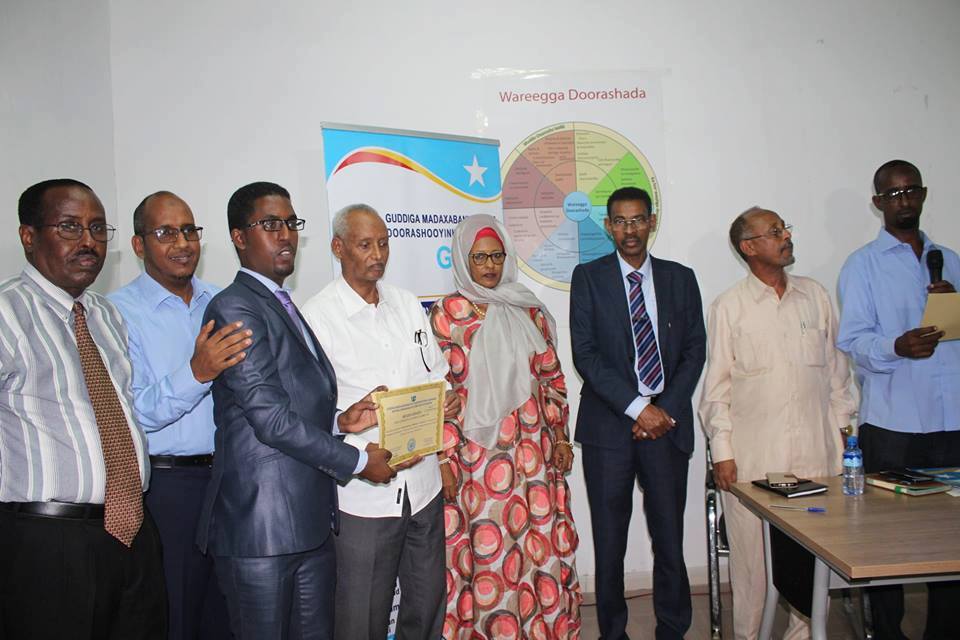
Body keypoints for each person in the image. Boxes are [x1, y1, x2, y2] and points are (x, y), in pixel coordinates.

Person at [195, 182, 398, 640]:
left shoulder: (282, 303)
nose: (285, 234)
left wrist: (340, 423)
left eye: (290, 223)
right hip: (261, 531)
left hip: (308, 524)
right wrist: (359, 460)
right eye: (270, 224)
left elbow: (294, 404)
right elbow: (269, 419)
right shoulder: (235, 307)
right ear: (239, 237)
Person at [0, 178, 166, 639]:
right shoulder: (6, 314)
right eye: (70, 227)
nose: (89, 242)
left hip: (132, 531)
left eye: (97, 228)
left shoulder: (106, 315)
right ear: (28, 236)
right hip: (45, 540)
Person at [303, 203, 459, 640]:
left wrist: (444, 399)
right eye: (365, 245)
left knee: (426, 606)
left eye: (384, 244)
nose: (378, 255)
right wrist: (352, 442)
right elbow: (311, 415)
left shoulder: (406, 304)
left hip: (422, 486)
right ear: (338, 248)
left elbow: (436, 374)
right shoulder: (317, 317)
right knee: (362, 617)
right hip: (364, 494)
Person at [699, 207, 856, 640]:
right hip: (755, 463)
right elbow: (716, 390)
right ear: (749, 247)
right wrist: (723, 452)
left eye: (785, 228)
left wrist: (846, 436)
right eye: (774, 231)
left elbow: (838, 376)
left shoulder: (815, 296)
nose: (786, 236)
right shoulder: (729, 307)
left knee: (814, 567)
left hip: (818, 458)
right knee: (753, 568)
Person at [429, 214, 582, 639]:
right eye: (479, 257)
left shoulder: (526, 307)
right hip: (478, 460)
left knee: (538, 545)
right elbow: (441, 391)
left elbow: (551, 378)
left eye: (497, 255)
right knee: (489, 549)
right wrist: (443, 457)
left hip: (533, 454)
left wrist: (561, 436)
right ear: (463, 259)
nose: (490, 265)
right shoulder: (448, 314)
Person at [109, 191, 248, 639]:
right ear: (138, 244)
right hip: (169, 489)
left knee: (230, 618)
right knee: (176, 616)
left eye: (189, 230)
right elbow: (132, 412)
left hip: (232, 480)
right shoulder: (116, 314)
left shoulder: (223, 301)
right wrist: (197, 372)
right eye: (166, 232)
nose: (183, 243)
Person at [570, 186, 705, 640]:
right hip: (609, 428)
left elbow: (695, 350)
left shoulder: (680, 278)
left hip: (667, 425)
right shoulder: (588, 278)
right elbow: (586, 355)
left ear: (652, 221)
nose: (630, 230)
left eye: (638, 219)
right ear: (609, 226)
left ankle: (673, 627)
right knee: (610, 542)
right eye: (621, 221)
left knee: (669, 538)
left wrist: (662, 410)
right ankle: (613, 632)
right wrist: (637, 409)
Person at [837, 159, 960, 640]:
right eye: (893, 194)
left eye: (911, 191)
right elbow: (853, 341)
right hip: (894, 423)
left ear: (923, 195)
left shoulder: (950, 260)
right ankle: (887, 633)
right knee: (886, 543)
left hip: (951, 420)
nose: (904, 200)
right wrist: (896, 346)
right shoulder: (863, 265)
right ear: (878, 203)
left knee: (952, 540)